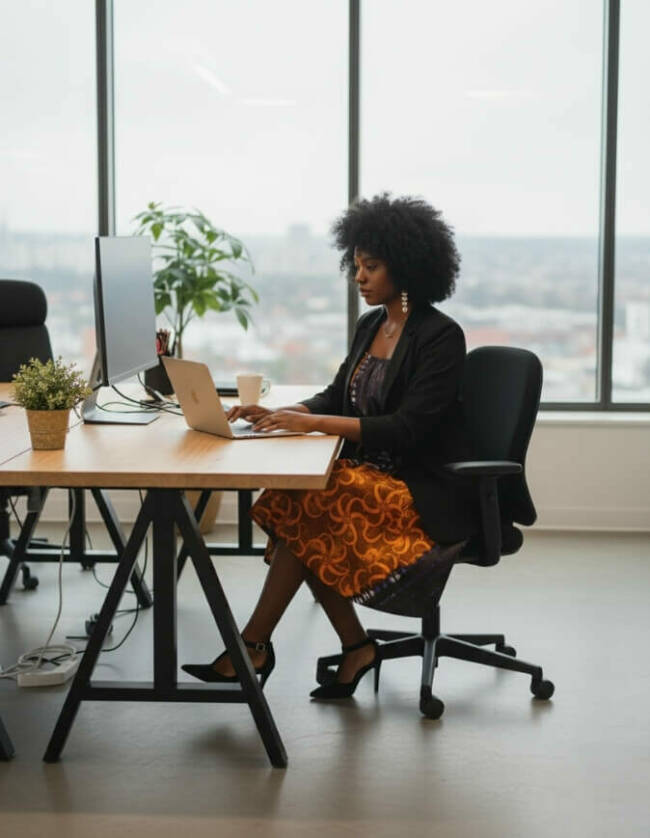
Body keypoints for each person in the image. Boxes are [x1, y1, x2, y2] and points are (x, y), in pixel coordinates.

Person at [182, 193, 477, 699]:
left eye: (372, 266)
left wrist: (318, 422)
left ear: (406, 268)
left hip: (418, 487)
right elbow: (338, 395)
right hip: (368, 472)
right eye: (356, 265)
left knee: (308, 505)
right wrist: (289, 413)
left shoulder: (439, 337)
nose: (359, 277)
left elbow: (408, 429)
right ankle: (347, 648)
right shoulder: (372, 325)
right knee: (306, 507)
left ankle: (254, 647)